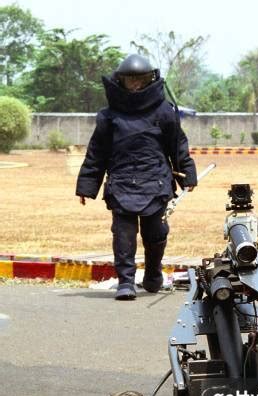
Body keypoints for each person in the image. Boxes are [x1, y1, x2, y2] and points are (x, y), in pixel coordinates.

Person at [76, 54, 197, 300]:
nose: (135, 86)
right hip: (121, 183)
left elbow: (178, 147)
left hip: (156, 181)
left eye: (140, 80)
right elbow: (97, 153)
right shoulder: (108, 116)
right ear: (120, 82)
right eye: (130, 81)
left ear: (149, 80)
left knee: (156, 234)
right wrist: (86, 186)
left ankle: (153, 273)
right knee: (123, 236)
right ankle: (126, 282)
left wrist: (187, 175)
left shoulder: (165, 112)